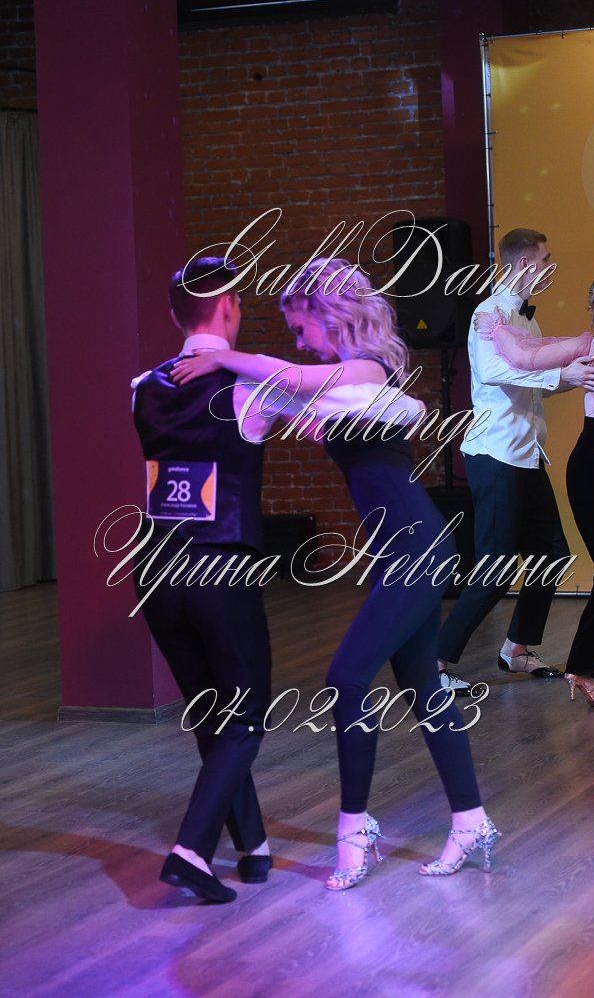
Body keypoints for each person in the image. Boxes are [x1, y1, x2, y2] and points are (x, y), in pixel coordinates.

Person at [172, 257, 500, 891]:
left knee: (346, 676)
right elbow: (292, 390)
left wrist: (221, 357)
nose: (298, 341)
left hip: (419, 549)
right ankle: (471, 821)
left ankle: (354, 831)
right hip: (400, 553)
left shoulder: (370, 369)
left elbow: (292, 375)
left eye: (301, 327)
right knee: (423, 688)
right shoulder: (344, 384)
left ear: (331, 314)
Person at [132, 257, 424, 903]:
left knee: (210, 715)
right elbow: (338, 393)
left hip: (153, 571)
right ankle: (190, 851)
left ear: (176, 315)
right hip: (220, 567)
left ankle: (253, 846)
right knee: (243, 719)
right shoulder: (248, 388)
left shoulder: (141, 387)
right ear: (229, 306)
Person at [437, 229, 594, 695]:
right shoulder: (488, 313)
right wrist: (560, 372)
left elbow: (535, 386)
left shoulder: (528, 323)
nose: (550, 268)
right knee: (496, 568)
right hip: (496, 454)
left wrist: (578, 377)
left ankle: (515, 649)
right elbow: (494, 371)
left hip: (527, 455)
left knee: (550, 557)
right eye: (545, 259)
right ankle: (434, 662)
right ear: (523, 264)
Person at [476, 267, 594, 707]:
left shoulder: (587, 347)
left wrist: (496, 329)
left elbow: (522, 357)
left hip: (586, 465)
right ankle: (583, 668)